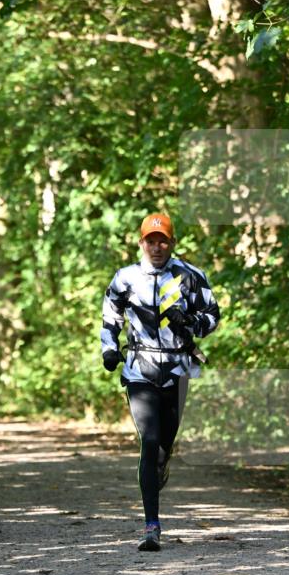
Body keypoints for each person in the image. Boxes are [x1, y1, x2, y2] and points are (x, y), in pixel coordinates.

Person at [101, 212, 219, 551]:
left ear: (172, 243)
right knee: (149, 440)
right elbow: (110, 316)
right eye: (151, 241)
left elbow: (213, 317)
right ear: (141, 243)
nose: (157, 246)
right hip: (139, 366)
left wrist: (191, 322)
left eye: (162, 240)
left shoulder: (191, 276)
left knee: (164, 443)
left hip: (178, 368)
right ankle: (151, 526)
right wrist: (109, 350)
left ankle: (161, 462)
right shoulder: (125, 278)